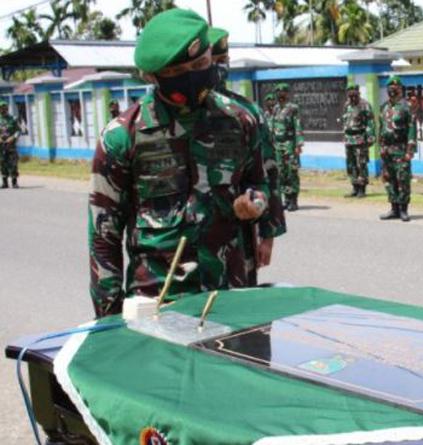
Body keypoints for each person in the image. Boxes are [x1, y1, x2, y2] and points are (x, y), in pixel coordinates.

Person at [88, 9, 273, 317]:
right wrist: (108, 320)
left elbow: (259, 182)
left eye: (200, 64)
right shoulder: (122, 137)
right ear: (151, 76)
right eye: (177, 73)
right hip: (159, 301)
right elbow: (103, 235)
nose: (193, 76)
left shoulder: (240, 120)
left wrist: (256, 202)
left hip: (232, 294)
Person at [208, 26, 286, 286]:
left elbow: (269, 172)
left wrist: (269, 235)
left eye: (223, 61)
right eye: (212, 61)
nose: (219, 68)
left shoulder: (247, 113)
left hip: (237, 242)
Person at [378, 76, 417, 222]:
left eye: (395, 88)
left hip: (401, 149)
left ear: (400, 89)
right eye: (390, 88)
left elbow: (412, 130)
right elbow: (381, 128)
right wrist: (380, 147)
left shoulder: (407, 107)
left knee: (403, 180)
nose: (392, 90)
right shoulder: (384, 107)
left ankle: (403, 210)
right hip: (387, 150)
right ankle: (393, 208)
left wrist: (410, 151)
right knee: (389, 179)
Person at [271, 83, 304, 211]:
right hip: (277, 145)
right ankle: (286, 199)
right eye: (278, 92)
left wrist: (298, 144)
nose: (280, 94)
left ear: (287, 93)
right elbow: (272, 126)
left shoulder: (293, 108)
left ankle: (294, 200)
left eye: (283, 92)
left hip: (290, 145)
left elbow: (297, 126)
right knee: (281, 172)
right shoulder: (275, 109)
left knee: (292, 172)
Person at [341, 83, 375, 198]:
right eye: (350, 95)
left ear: (358, 93)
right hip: (349, 140)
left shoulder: (364, 105)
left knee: (361, 164)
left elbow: (370, 122)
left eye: (354, 95)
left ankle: (362, 189)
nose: (352, 98)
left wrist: (370, 137)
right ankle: (354, 187)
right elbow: (345, 121)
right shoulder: (346, 105)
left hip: (360, 139)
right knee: (351, 164)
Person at [0, 100, 20, 189]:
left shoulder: (13, 119)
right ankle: (4, 182)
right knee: (3, 163)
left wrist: (13, 138)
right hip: (1, 146)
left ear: (7, 108)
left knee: (13, 163)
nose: (3, 109)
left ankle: (14, 182)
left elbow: (18, 131)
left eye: (4, 107)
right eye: (1, 108)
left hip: (11, 145)